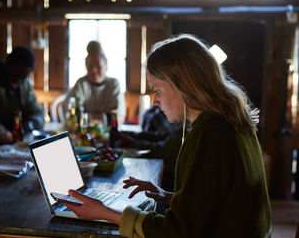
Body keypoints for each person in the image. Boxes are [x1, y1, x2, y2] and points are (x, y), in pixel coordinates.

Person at [61, 34, 271, 237]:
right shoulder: (228, 119)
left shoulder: (210, 134)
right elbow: (215, 203)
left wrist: (105, 213)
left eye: (158, 90)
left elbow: (177, 232)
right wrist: (171, 197)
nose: (154, 101)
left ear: (184, 86)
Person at [0, 46, 45, 137]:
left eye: (23, 76)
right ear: (10, 66)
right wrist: (6, 135)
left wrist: (30, 124)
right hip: (1, 140)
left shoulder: (24, 83)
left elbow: (37, 111)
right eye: (17, 76)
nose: (19, 80)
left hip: (22, 136)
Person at [62, 41, 125, 125]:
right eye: (90, 66)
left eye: (98, 66)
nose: (93, 70)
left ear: (106, 66)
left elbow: (118, 115)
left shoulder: (113, 84)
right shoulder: (81, 84)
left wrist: (91, 120)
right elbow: (68, 109)